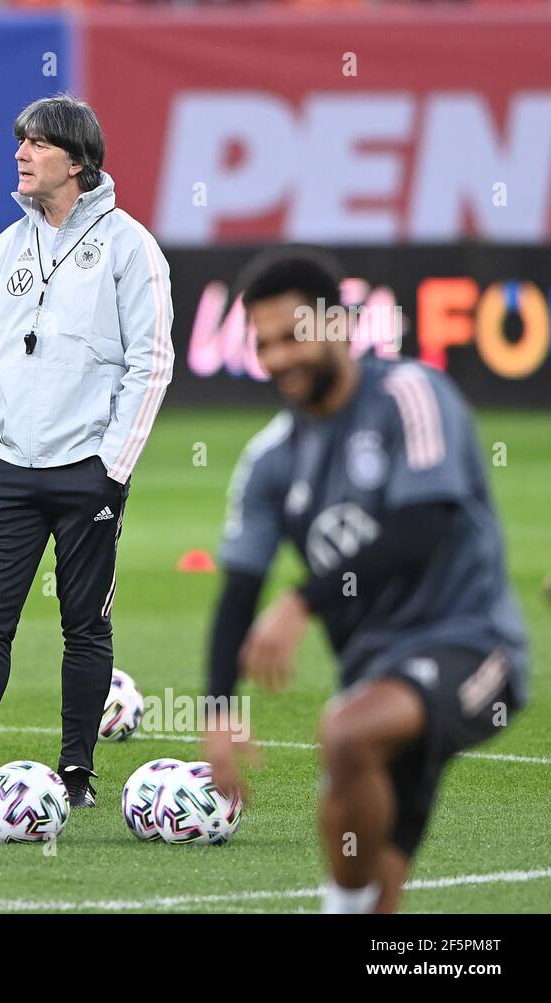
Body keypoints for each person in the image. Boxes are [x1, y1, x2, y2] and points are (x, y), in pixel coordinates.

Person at [202, 246, 528, 913]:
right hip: (378, 673)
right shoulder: (270, 459)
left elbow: (426, 522)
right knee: (383, 892)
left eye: (292, 335)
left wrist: (301, 601)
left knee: (345, 732)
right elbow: (237, 589)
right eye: (263, 344)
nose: (278, 357)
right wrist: (219, 711)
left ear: (337, 326)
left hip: (472, 644)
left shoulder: (411, 393)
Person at [0, 95, 174, 809]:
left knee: (85, 624)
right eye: (20, 141)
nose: (21, 153)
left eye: (37, 143)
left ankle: (77, 771)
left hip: (86, 474)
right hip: (4, 467)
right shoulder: (8, 244)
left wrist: (113, 466)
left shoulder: (132, 246)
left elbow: (151, 362)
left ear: (77, 160)